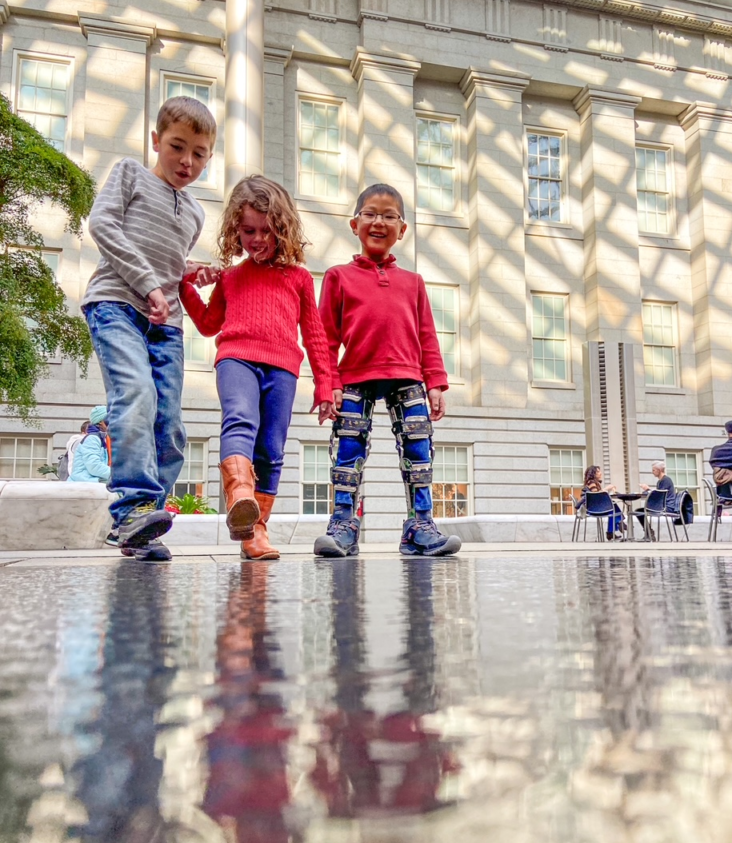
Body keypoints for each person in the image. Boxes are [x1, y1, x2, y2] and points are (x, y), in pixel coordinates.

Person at [81, 95, 216, 563]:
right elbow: (102, 224)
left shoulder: (196, 212)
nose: (186, 161)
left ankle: (144, 525)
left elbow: (168, 262)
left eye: (198, 154)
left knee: (171, 424)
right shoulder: (130, 173)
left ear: (209, 157)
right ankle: (132, 507)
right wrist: (147, 284)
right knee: (136, 394)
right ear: (156, 141)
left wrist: (188, 272)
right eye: (177, 147)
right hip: (116, 304)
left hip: (167, 324)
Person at [180, 176, 333, 560]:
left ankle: (255, 530)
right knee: (240, 419)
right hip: (236, 358)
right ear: (236, 229)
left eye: (268, 230)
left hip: (283, 368)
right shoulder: (231, 276)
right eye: (248, 231)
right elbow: (207, 324)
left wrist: (326, 386)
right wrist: (186, 285)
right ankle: (240, 496)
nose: (258, 239)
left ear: (283, 229)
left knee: (271, 450)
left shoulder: (297, 277)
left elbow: (314, 334)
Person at [313, 183, 461, 558]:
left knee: (418, 447)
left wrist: (436, 383)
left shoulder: (414, 283)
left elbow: (427, 334)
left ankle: (420, 525)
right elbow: (325, 337)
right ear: (354, 223)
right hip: (354, 376)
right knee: (348, 447)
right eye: (370, 214)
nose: (379, 221)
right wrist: (326, 384)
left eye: (389, 215)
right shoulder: (338, 276)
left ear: (403, 229)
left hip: (408, 375)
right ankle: (344, 523)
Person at [577, 464, 624, 540]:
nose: (600, 473)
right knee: (612, 508)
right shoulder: (591, 482)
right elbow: (596, 495)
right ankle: (618, 523)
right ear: (593, 474)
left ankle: (615, 527)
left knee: (613, 506)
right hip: (593, 509)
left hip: (595, 507)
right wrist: (606, 488)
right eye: (598, 472)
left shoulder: (595, 483)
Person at [67, 406, 110, 483]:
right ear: (100, 421)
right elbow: (94, 466)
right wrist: (118, 475)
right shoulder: (92, 438)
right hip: (83, 484)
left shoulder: (101, 438)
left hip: (90, 482)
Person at [634, 459, 675, 539]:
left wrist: (647, 490)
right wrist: (647, 491)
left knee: (639, 511)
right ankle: (649, 532)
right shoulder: (660, 481)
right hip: (662, 506)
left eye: (654, 470)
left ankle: (649, 533)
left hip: (666, 507)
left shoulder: (666, 480)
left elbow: (659, 495)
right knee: (639, 511)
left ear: (659, 470)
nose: (652, 472)